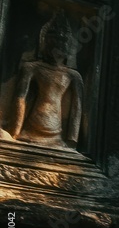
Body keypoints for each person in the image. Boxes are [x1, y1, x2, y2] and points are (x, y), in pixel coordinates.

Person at [10, 11, 83, 150]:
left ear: (69, 46)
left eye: (63, 40)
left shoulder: (73, 76)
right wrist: (15, 131)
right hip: (30, 130)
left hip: (56, 135)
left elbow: (77, 108)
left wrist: (72, 140)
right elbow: (20, 98)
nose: (59, 43)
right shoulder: (32, 68)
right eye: (54, 39)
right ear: (44, 41)